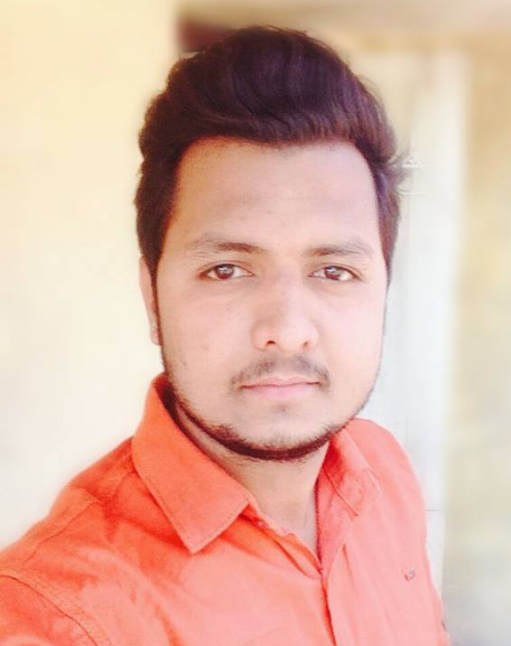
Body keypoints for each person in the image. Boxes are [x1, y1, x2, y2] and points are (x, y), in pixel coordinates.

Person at [0, 25, 449, 645]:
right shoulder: (57, 616)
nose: (286, 329)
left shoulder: (383, 469)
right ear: (152, 298)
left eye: (334, 271)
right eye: (227, 270)